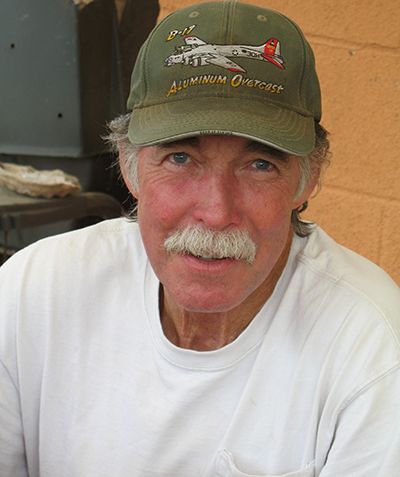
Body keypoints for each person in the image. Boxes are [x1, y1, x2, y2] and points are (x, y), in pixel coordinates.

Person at [1, 2, 399, 476]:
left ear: (307, 179)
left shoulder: (372, 346)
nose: (216, 213)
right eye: (180, 159)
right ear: (128, 164)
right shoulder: (35, 291)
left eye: (260, 165)